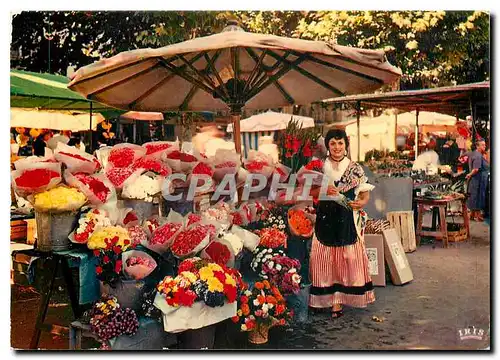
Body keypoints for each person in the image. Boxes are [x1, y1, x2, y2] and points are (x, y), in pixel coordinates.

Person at [309, 129, 375, 318]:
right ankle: (324, 300)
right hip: (324, 219)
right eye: (333, 144)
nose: (337, 147)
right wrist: (323, 191)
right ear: (327, 146)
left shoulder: (355, 168)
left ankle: (338, 303)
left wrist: (362, 202)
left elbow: (364, 193)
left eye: (340, 143)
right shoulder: (319, 166)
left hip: (347, 220)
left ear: (345, 145)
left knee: (347, 261)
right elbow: (310, 191)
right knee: (323, 260)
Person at [466, 139, 489, 221]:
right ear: (477, 146)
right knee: (478, 197)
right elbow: (476, 169)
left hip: (478, 179)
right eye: (482, 145)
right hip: (478, 180)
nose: (484, 146)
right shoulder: (478, 156)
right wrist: (469, 174)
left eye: (485, 145)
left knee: (474, 196)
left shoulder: (475, 154)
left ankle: (472, 215)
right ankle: (477, 216)